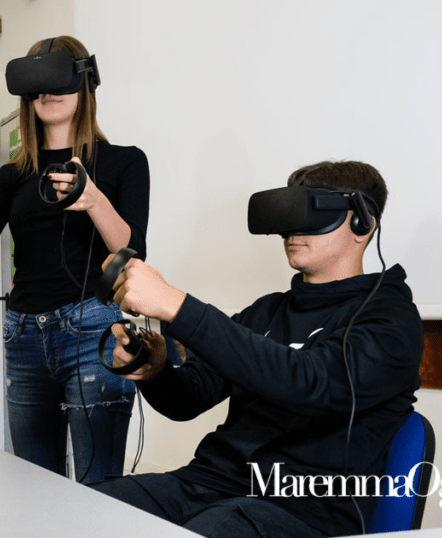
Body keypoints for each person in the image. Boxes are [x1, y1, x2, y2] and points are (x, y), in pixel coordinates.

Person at [91, 161, 423, 537]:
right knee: (80, 510)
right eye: (288, 213)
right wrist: (156, 372)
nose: (292, 229)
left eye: (310, 212)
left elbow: (310, 383)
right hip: (207, 485)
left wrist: (177, 306)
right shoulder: (266, 311)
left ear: (363, 223)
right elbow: (189, 399)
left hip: (302, 510)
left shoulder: (390, 319)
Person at [0, 35, 150, 484]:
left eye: (57, 80)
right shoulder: (12, 174)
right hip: (24, 337)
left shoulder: (125, 163)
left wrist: (92, 199)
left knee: (98, 486)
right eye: (36, 85)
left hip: (94, 329)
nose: (46, 94)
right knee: (35, 486)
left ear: (85, 83)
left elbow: (132, 250)